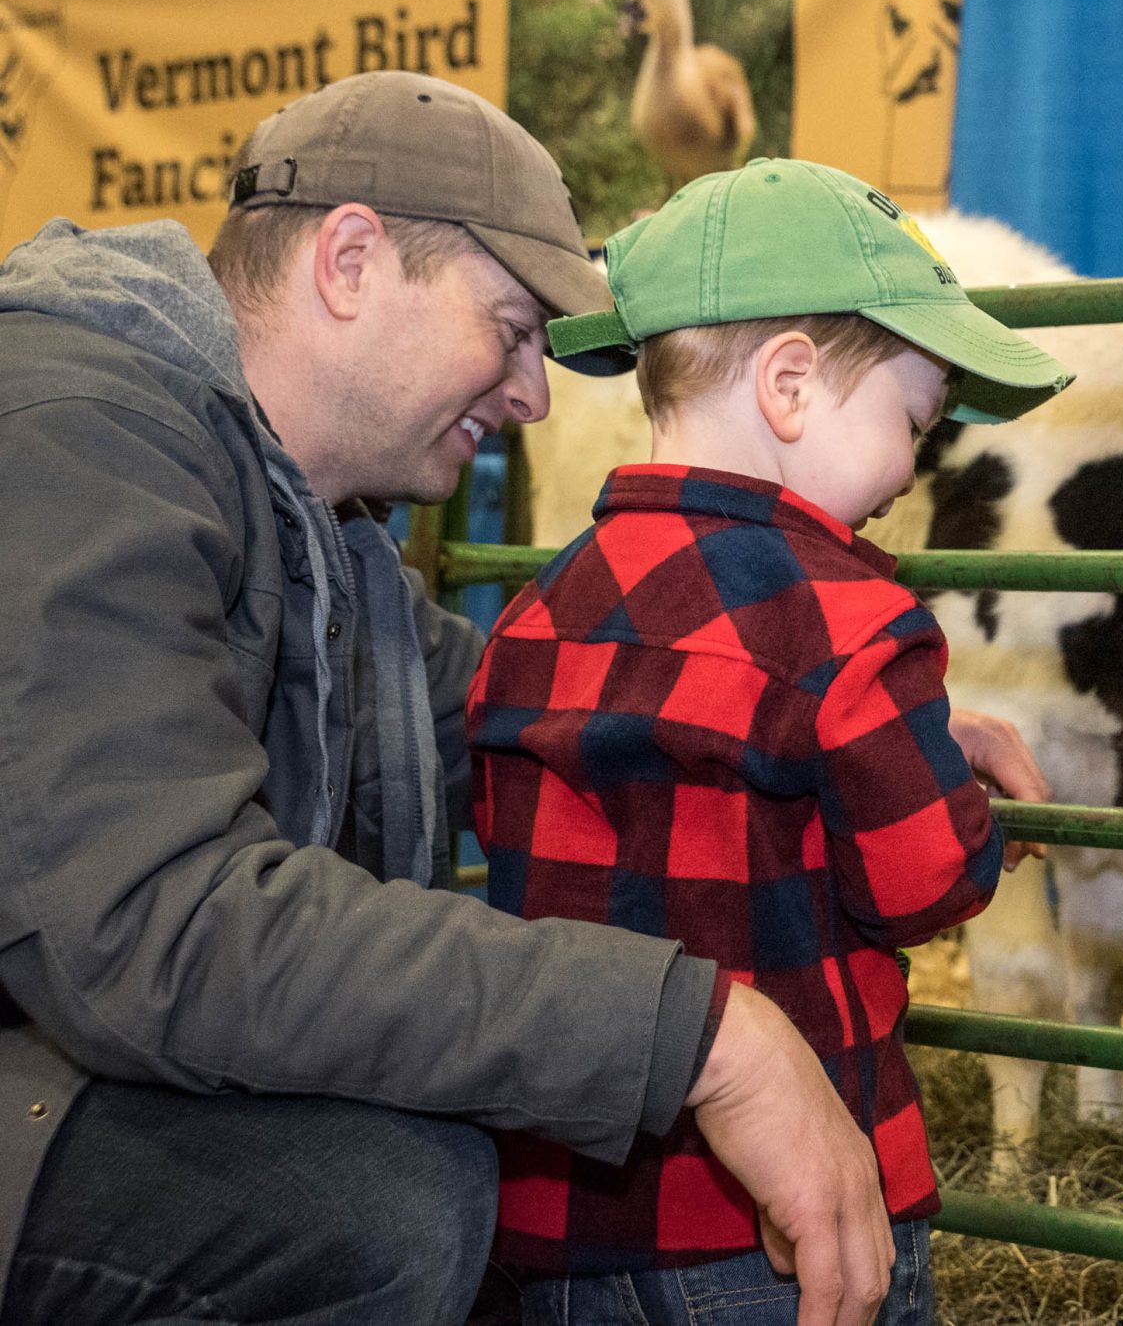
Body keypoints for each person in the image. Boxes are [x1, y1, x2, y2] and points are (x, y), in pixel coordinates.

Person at [0, 72, 1044, 1326]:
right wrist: (699, 1033)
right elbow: (151, 920)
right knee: (391, 1204)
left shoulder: (318, 531)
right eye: (509, 327)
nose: (534, 396)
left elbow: (513, 708)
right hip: (44, 1056)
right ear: (350, 262)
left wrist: (852, 728)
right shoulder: (69, 436)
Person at [469, 158, 1074, 1325]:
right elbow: (922, 883)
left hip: (560, 1222)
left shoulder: (536, 613)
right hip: (791, 1228)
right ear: (789, 384)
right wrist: (975, 815)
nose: (912, 468)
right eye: (912, 422)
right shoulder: (853, 621)